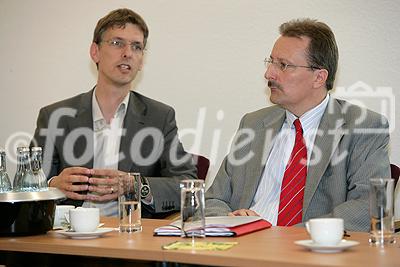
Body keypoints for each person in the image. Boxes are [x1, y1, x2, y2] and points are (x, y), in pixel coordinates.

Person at [205, 18, 390, 232]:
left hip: (312, 252)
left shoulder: (364, 127)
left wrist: (284, 236)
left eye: (283, 65)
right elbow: (213, 200)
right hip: (244, 249)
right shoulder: (253, 124)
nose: (269, 74)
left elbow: (368, 205)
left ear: (319, 78)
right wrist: (233, 221)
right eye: (270, 62)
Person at [32, 8, 197, 218]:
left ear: (141, 61)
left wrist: (136, 185)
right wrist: (53, 185)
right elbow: (25, 185)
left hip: (129, 238)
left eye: (137, 47)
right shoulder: (55, 116)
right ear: (95, 52)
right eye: (117, 43)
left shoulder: (159, 117)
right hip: (68, 238)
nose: (128, 53)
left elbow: (186, 184)